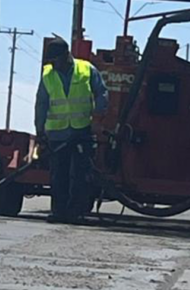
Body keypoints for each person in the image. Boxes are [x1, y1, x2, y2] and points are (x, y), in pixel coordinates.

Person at [34, 38, 109, 224]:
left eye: (56, 60)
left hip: (81, 131)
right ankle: (59, 212)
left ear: (66, 55)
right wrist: (40, 131)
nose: (53, 64)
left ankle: (76, 212)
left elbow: (102, 92)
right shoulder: (47, 75)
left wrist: (98, 117)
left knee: (80, 174)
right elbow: (41, 104)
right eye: (51, 61)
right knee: (59, 174)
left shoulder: (86, 69)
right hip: (57, 134)